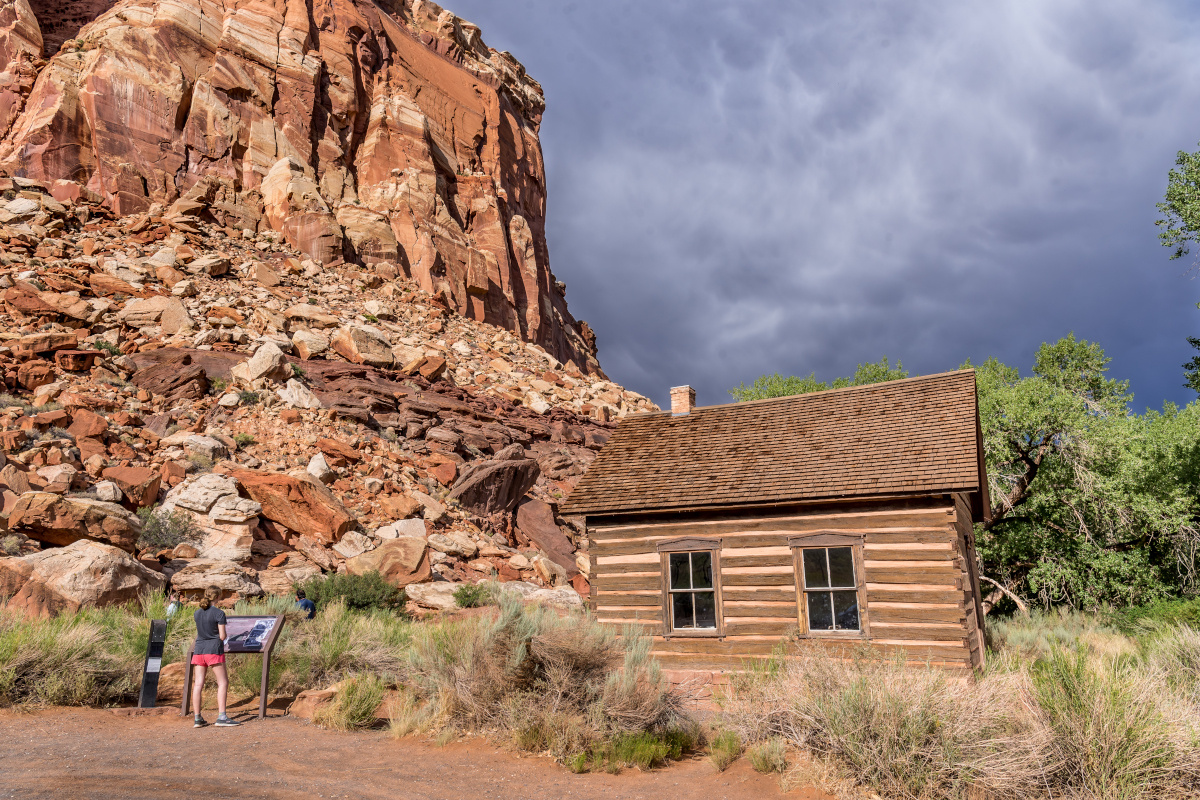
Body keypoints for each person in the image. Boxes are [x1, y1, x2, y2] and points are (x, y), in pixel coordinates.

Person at [190, 586, 239, 728]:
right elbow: (222, 636)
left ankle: (197, 718)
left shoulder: (197, 613)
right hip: (213, 650)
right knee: (222, 682)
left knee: (198, 684)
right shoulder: (219, 613)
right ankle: (222, 717)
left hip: (199, 650)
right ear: (218, 597)